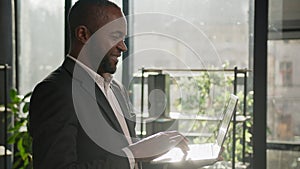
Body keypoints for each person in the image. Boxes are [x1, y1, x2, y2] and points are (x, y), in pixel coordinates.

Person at [29, 1, 189, 169]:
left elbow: (125, 158)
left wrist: (170, 155)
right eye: (115, 37)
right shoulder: (55, 91)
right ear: (83, 35)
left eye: (123, 38)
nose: (123, 47)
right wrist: (133, 154)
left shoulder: (116, 89)